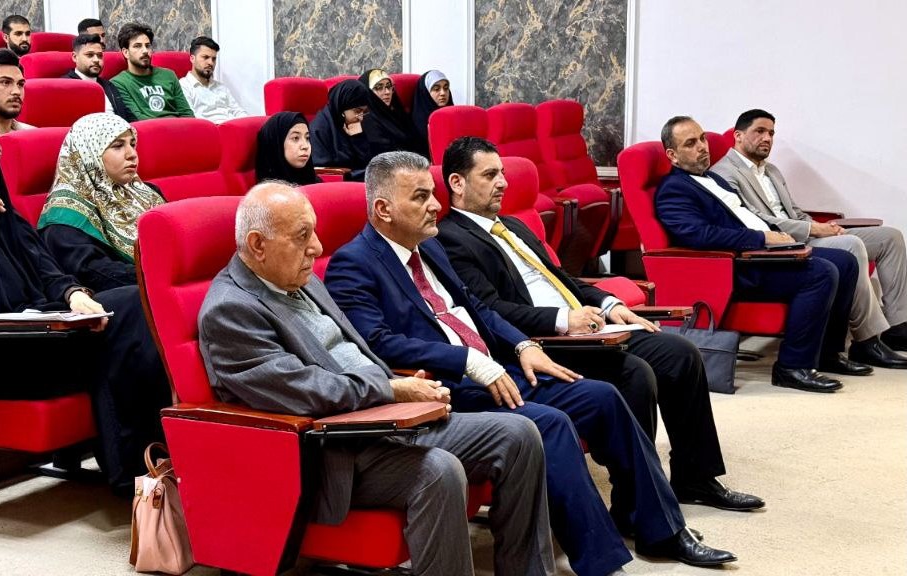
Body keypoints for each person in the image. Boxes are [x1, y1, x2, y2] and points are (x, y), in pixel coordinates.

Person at [325, 151, 738, 573]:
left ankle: (663, 529)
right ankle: (602, 561)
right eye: (420, 197)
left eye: (432, 194)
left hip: (502, 368)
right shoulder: (353, 263)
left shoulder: (428, 247)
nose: (435, 205)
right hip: (449, 385)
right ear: (383, 209)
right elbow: (378, 342)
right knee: (551, 424)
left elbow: (477, 309)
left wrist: (522, 345)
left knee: (603, 398)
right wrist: (467, 359)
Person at [199, 181, 557, 576]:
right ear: (257, 245)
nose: (317, 247)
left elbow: (354, 352)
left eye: (314, 232)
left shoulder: (300, 278)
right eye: (302, 236)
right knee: (437, 470)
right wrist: (390, 389)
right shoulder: (230, 311)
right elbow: (305, 390)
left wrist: (400, 386)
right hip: (336, 453)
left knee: (520, 435)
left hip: (385, 420)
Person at [436, 136, 763, 512]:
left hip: (589, 326)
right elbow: (489, 310)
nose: (503, 183)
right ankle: (636, 505)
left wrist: (609, 304)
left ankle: (696, 478)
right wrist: (563, 319)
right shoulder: (451, 239)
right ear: (457, 182)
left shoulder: (513, 225)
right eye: (490, 175)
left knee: (682, 353)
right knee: (634, 374)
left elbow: (563, 278)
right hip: (545, 340)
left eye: (503, 173)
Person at [0, 115, 171, 495]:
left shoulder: (4, 217)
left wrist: (74, 295)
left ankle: (155, 465)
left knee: (137, 303)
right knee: (126, 324)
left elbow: (47, 270)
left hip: (44, 331)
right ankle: (133, 476)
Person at [656, 116, 860, 392]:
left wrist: (779, 234)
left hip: (766, 251)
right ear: (672, 155)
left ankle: (827, 353)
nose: (702, 146)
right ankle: (792, 367)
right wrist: (762, 238)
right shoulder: (673, 190)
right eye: (690, 144)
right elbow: (699, 235)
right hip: (739, 266)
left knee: (845, 262)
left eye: (702, 138)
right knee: (820, 273)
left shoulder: (714, 178)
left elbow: (747, 214)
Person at [712, 109, 907, 366]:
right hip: (783, 242)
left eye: (771, 133)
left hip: (806, 231)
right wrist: (813, 230)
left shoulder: (771, 171)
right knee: (851, 245)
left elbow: (794, 211)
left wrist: (823, 225)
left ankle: (898, 328)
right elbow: (757, 219)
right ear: (738, 136)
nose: (767, 138)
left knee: (890, 238)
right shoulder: (724, 173)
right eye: (759, 131)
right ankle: (866, 341)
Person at [37, 113, 164, 292]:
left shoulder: (147, 192)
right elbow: (94, 273)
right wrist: (162, 274)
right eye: (118, 146)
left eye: (133, 144)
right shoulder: (63, 216)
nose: (132, 154)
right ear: (89, 153)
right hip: (123, 298)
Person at [111, 23, 193, 120]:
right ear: (126, 52)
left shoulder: (169, 75)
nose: (145, 51)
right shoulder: (118, 83)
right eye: (137, 46)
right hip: (148, 128)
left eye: (148, 46)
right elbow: (137, 118)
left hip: (178, 127)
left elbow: (187, 114)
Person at [309, 79, 371, 181]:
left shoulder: (353, 124)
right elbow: (323, 171)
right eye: (357, 111)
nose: (361, 117)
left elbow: (367, 162)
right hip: (334, 183)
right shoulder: (319, 129)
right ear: (342, 106)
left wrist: (357, 138)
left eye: (364, 112)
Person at [63, 33, 135, 121]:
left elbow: (127, 115)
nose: (96, 60)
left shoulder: (109, 85)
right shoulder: (65, 87)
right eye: (90, 55)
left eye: (100, 55)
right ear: (75, 57)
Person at [179, 36, 246, 124]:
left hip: (233, 127)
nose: (211, 63)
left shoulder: (221, 87)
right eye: (205, 57)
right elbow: (192, 118)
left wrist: (248, 124)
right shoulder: (183, 86)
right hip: (209, 129)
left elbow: (238, 111)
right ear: (192, 59)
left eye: (213, 59)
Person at [359, 68, 424, 157]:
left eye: (389, 86)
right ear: (367, 91)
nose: (387, 92)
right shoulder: (366, 119)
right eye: (379, 88)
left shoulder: (397, 112)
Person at [255, 111, 320, 185]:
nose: (305, 146)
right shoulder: (270, 191)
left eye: (307, 138)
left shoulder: (312, 180)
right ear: (277, 144)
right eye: (295, 138)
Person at [410, 69, 453, 159]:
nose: (443, 93)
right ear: (425, 92)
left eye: (446, 88)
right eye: (436, 89)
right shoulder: (416, 123)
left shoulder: (454, 116)